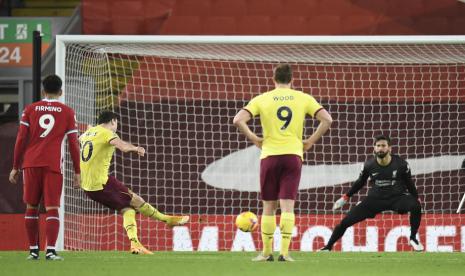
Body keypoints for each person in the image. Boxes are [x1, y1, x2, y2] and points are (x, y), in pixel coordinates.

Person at [233, 64, 333, 262]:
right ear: (292, 79)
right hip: (293, 156)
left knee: (269, 207)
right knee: (288, 206)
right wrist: (310, 141)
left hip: (269, 156)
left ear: (273, 79)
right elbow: (327, 119)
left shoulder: (263, 98)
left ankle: (266, 253)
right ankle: (285, 253)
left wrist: (254, 138)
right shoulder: (303, 97)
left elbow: (238, 119)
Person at [79, 110, 189, 254]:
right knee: (135, 199)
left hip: (88, 187)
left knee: (127, 209)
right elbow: (123, 147)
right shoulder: (107, 133)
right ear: (113, 121)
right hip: (101, 183)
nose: (116, 126)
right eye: (116, 123)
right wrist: (136, 148)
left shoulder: (87, 134)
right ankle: (166, 219)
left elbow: (80, 138)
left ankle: (135, 244)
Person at [9, 75, 81, 261]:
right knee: (52, 208)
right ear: (61, 92)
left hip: (30, 164)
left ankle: (33, 251)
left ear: (43, 91)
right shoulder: (67, 112)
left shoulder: (30, 110)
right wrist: (78, 172)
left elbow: (20, 140)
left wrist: (15, 166)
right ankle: (50, 251)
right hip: (52, 165)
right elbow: (74, 144)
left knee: (31, 206)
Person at [320, 135, 424, 252]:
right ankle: (328, 247)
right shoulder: (368, 165)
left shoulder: (402, 164)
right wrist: (346, 197)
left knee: (415, 206)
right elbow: (360, 182)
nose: (380, 148)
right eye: (378, 146)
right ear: (374, 148)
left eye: (383, 146)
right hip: (375, 200)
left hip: (397, 198)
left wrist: (416, 198)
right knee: (345, 222)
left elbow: (409, 183)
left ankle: (413, 238)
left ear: (390, 148)